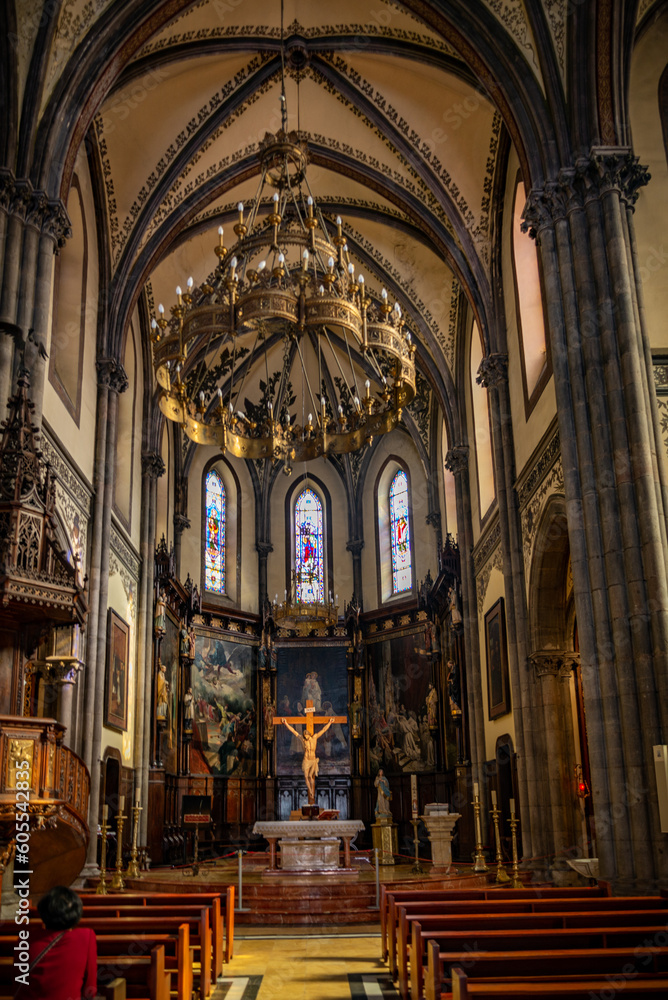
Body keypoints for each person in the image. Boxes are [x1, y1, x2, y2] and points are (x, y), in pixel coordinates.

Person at [15, 885, 97, 999]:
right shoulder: (86, 937)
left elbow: (19, 984)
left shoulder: (26, 940)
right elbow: (90, 989)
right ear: (76, 914)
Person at [279, 717, 336, 803]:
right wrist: (286, 723)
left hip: (313, 760)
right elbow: (294, 732)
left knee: (310, 776)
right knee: (306, 776)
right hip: (306, 760)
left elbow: (323, 730)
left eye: (306, 734)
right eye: (304, 735)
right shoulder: (303, 740)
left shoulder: (315, 737)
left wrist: (330, 723)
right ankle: (310, 790)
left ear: (309, 734)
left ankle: (312, 792)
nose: (305, 735)